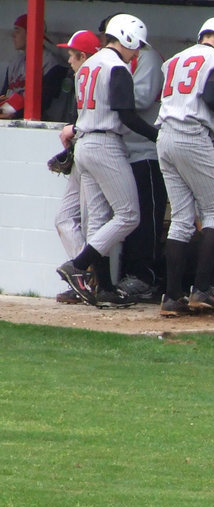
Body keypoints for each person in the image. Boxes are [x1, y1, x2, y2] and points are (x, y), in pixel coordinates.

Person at [55, 14, 158, 307]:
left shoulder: (87, 65)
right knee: (128, 215)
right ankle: (78, 265)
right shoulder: (117, 67)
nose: (137, 51)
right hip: (105, 144)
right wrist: (156, 135)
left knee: (98, 221)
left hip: (84, 144)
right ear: (124, 38)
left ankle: (105, 289)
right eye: (135, 44)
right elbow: (126, 114)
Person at [155, 17, 214, 317]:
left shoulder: (175, 58)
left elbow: (194, 92)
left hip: (164, 137)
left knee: (183, 217)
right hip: (192, 136)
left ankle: (172, 297)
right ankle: (200, 289)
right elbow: (209, 96)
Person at [103, 14, 166, 303]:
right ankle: (119, 276)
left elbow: (140, 98)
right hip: (122, 151)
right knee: (124, 217)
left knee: (146, 218)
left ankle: (145, 277)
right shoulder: (110, 62)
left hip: (146, 151)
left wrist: (113, 93)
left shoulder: (147, 57)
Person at [50, 29, 103, 304]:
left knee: (92, 219)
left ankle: (88, 279)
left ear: (84, 55)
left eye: (73, 55)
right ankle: (81, 277)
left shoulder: (95, 77)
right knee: (64, 219)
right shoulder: (84, 78)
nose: (69, 61)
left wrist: (74, 129)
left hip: (97, 156)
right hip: (84, 153)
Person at [1, 13, 71, 121]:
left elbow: (45, 102)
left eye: (17, 30)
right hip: (13, 119)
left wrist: (14, 114)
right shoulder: (15, 63)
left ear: (31, 33)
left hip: (42, 126)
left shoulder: (53, 64)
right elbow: (4, 94)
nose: (13, 35)